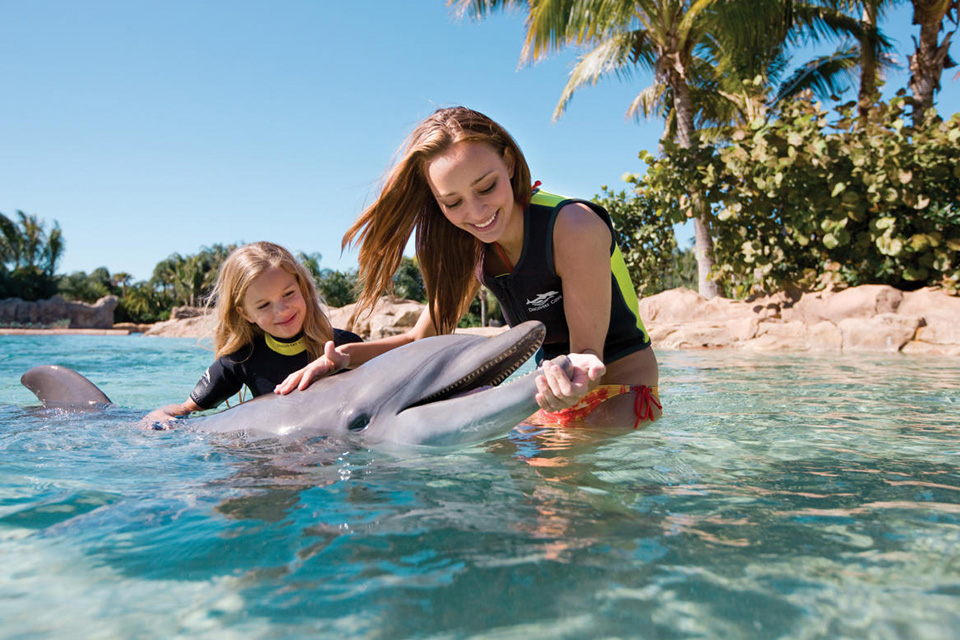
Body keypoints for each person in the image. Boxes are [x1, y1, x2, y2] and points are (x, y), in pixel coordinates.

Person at [279, 106, 660, 428]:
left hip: (620, 387)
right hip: (553, 387)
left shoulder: (572, 226)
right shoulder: (469, 248)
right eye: (452, 202)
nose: (476, 213)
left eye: (486, 187)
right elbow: (419, 340)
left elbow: (585, 356)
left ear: (509, 163)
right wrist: (341, 360)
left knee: (552, 493)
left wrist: (568, 389)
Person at [144, 241, 361, 427]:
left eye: (288, 293)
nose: (282, 310)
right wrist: (159, 414)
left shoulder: (344, 347)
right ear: (246, 313)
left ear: (302, 288)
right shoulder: (241, 359)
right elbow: (187, 408)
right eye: (264, 305)